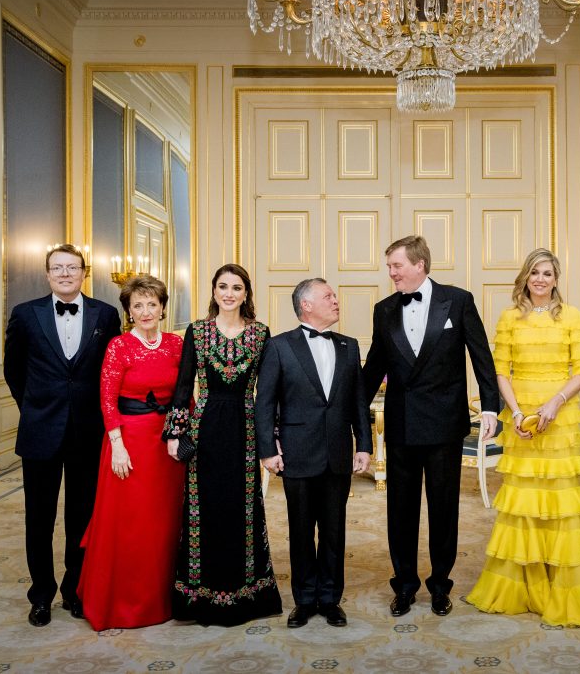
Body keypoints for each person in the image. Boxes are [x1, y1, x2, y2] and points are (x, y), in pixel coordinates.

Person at [467, 248, 580, 627]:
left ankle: (561, 583)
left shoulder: (572, 317)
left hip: (558, 416)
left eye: (547, 273)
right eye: (535, 273)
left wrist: (554, 404)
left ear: (556, 278)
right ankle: (525, 585)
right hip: (522, 418)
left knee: (560, 501)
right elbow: (500, 370)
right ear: (525, 278)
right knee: (524, 502)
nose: (541, 280)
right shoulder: (510, 317)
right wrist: (514, 411)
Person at [362, 235, 500, 618]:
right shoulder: (384, 309)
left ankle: (440, 585)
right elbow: (374, 366)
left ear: (420, 264)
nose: (391, 273)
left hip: (444, 425)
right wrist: (349, 411)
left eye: (396, 266)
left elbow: (481, 356)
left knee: (443, 510)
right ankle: (404, 586)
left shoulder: (458, 300)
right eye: (389, 266)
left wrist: (490, 406)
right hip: (402, 424)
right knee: (400, 511)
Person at [3, 244, 122, 627]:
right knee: (39, 518)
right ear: (48, 273)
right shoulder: (25, 314)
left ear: (84, 272)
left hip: (88, 432)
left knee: (81, 517)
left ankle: (75, 589)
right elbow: (13, 371)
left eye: (73, 267)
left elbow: (110, 373)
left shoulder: (106, 314)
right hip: (40, 431)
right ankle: (41, 595)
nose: (66, 274)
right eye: (58, 268)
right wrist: (35, 410)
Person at [163, 264, 283, 626]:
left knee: (243, 510)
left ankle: (246, 593)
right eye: (222, 287)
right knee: (203, 509)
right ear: (213, 292)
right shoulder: (196, 332)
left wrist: (272, 437)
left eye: (236, 287)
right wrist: (174, 433)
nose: (229, 293)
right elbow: (183, 387)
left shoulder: (261, 334)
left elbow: (270, 394)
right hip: (204, 429)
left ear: (246, 294)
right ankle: (200, 596)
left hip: (246, 429)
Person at [255, 278, 373, 628]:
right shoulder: (278, 346)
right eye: (328, 296)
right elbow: (265, 403)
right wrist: (267, 450)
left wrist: (364, 445)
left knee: (335, 532)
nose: (336, 301)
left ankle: (330, 599)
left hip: (337, 454)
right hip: (297, 455)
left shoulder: (349, 346)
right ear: (306, 305)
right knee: (301, 532)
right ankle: (304, 601)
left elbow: (357, 403)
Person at [77, 275, 185, 630]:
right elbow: (107, 400)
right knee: (130, 525)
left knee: (163, 523)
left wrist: (183, 434)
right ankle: (120, 603)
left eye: (152, 304)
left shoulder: (175, 345)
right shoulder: (119, 346)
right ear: (128, 311)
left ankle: (164, 598)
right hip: (128, 445)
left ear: (163, 308)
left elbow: (186, 395)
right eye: (137, 305)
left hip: (166, 445)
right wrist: (118, 446)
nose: (145, 311)